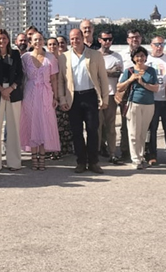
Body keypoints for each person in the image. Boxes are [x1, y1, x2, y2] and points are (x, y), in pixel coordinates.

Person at [60, 28, 109, 174]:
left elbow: (103, 78)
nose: (75, 41)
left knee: (93, 130)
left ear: (83, 37)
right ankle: (81, 161)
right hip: (73, 98)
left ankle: (93, 162)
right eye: (72, 38)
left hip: (90, 97)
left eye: (77, 38)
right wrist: (62, 99)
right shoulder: (64, 57)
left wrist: (105, 98)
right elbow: (61, 82)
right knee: (76, 132)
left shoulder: (95, 55)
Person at [20, 32, 61, 170]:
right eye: (35, 39)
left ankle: (42, 158)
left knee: (44, 124)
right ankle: (33, 158)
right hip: (30, 93)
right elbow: (22, 77)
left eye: (40, 39)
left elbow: (54, 78)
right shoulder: (25, 57)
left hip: (46, 93)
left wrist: (55, 96)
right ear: (31, 42)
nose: (38, 42)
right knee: (31, 124)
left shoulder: (50, 57)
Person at [0, 29, 24, 171]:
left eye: (4, 38)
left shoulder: (15, 54)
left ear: (8, 39)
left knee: (14, 128)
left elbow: (20, 74)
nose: (2, 41)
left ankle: (14, 162)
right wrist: (2, 90)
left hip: (13, 92)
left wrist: (11, 88)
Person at [117, 46, 159, 170]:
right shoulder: (129, 71)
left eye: (142, 55)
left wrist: (143, 83)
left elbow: (156, 88)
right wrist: (131, 79)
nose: (140, 58)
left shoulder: (151, 71)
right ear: (133, 58)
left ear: (146, 57)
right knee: (133, 133)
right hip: (134, 103)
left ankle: (141, 157)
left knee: (142, 133)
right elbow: (120, 87)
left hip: (149, 104)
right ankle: (135, 159)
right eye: (137, 56)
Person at [144, 34, 166, 166]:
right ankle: (152, 156)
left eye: (162, 44)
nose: (159, 47)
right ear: (151, 45)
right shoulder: (146, 60)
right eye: (157, 44)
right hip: (152, 100)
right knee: (152, 130)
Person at [98, 31, 125, 164]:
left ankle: (112, 152)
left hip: (112, 94)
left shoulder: (117, 56)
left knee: (110, 126)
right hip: (97, 95)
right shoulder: (95, 55)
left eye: (110, 39)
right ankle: (96, 151)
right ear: (100, 40)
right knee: (97, 126)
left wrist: (103, 72)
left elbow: (118, 73)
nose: (107, 42)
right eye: (105, 39)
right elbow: (94, 74)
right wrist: (108, 71)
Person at [47, 36, 73, 159]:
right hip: (48, 95)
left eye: (54, 44)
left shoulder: (63, 59)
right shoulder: (45, 59)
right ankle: (51, 149)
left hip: (62, 94)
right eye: (50, 44)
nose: (52, 47)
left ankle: (63, 149)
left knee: (63, 123)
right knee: (51, 124)